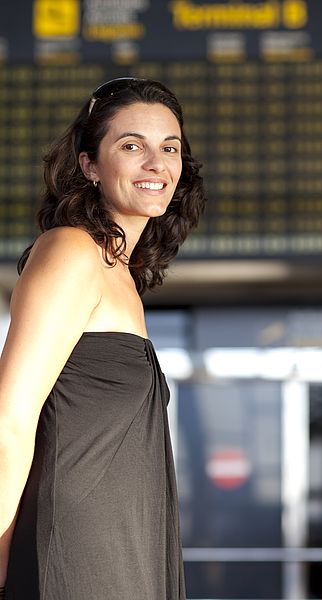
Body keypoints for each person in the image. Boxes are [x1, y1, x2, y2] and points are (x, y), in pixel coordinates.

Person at [0, 77, 206, 599]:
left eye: (170, 148)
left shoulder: (122, 276)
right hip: (78, 550)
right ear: (90, 165)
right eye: (132, 145)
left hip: (130, 543)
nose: (156, 163)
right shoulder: (71, 250)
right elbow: (10, 420)